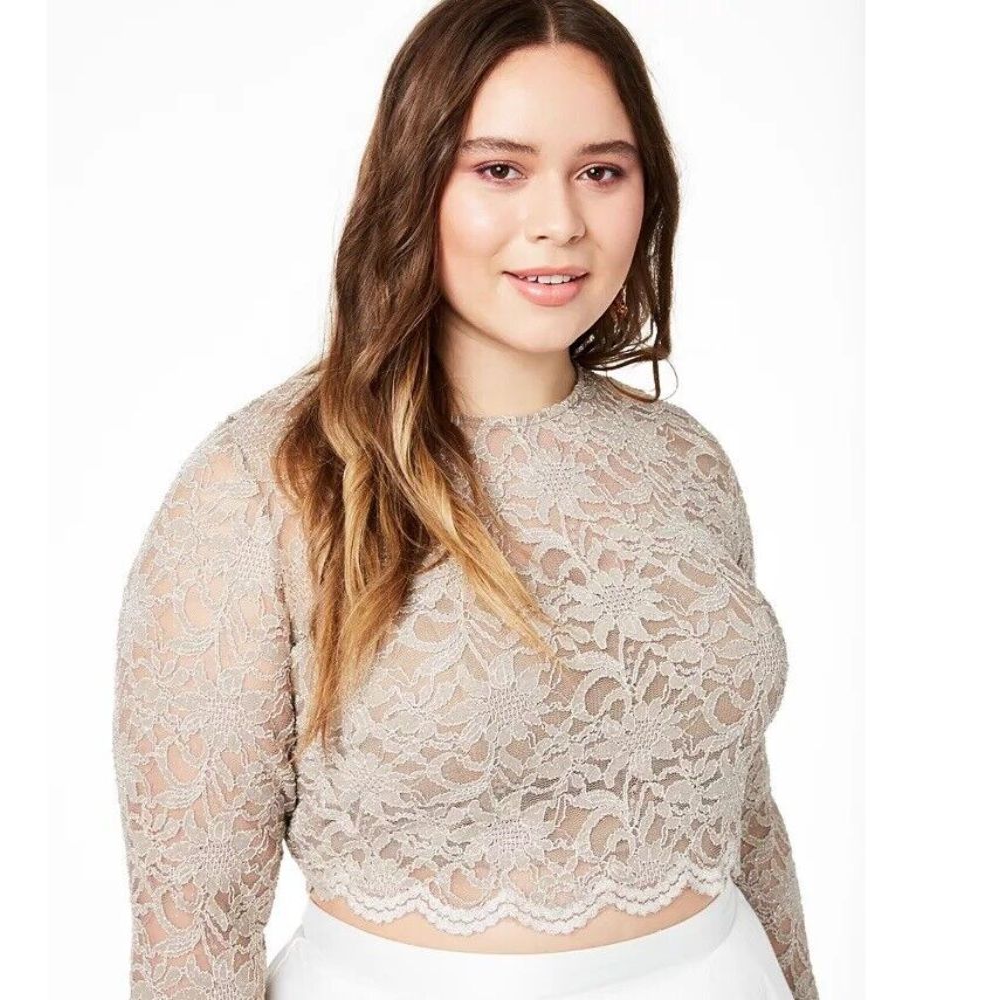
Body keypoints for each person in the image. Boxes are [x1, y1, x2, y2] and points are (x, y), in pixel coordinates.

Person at [111, 1, 820, 998]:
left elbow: (747, 822)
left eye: (601, 171)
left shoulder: (684, 460)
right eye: (500, 169)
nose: (560, 221)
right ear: (415, 180)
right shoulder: (264, 484)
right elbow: (193, 938)